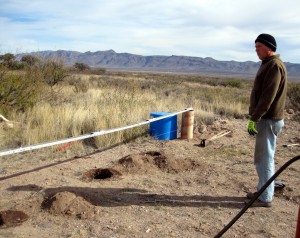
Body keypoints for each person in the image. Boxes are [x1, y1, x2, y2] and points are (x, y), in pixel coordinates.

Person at [246, 33, 287, 207]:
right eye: (255, 47)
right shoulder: (268, 64)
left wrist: (254, 118)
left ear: (269, 47)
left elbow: (267, 97)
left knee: (264, 159)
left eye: (259, 47)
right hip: (267, 119)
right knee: (264, 157)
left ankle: (265, 197)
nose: (256, 50)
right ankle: (264, 191)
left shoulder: (274, 66)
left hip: (268, 120)